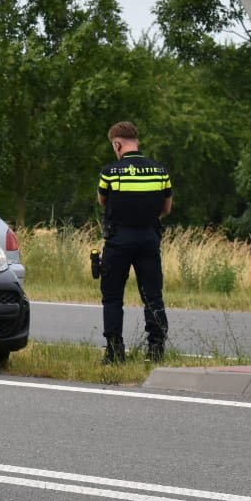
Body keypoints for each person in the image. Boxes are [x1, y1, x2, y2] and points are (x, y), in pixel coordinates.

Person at [96, 120, 172, 363]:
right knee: (153, 295)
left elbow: (103, 201)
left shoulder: (110, 172)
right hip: (149, 238)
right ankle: (156, 349)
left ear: (117, 144)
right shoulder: (160, 171)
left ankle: (115, 351)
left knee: (113, 296)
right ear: (136, 141)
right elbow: (167, 208)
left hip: (119, 240)